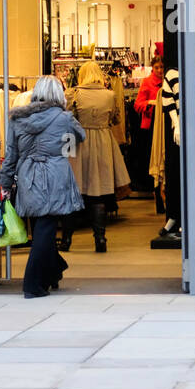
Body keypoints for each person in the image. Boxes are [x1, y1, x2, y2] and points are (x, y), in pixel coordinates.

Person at [0, 75, 86, 298]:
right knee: (45, 230)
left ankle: (53, 272)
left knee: (40, 226)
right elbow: (79, 137)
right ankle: (32, 284)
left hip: (27, 175)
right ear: (58, 95)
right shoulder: (64, 118)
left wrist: (5, 182)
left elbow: (11, 155)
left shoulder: (17, 119)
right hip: (55, 175)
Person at [64, 62, 131, 252]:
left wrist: (64, 153)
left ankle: (66, 240)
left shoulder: (72, 93)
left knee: (72, 194)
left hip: (77, 143)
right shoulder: (110, 95)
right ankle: (100, 239)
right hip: (103, 142)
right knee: (98, 194)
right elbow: (116, 119)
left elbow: (67, 121)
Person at [134, 56, 167, 211]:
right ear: (152, 68)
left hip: (165, 124)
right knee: (154, 161)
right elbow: (137, 104)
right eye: (157, 68)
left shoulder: (169, 81)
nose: (160, 70)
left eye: (162, 67)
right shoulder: (147, 82)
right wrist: (150, 103)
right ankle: (158, 200)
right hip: (151, 126)